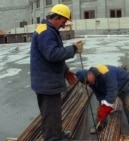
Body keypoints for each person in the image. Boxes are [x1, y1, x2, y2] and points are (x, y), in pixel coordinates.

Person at [30, 4, 83, 141]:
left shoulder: (48, 30)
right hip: (47, 83)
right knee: (50, 114)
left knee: (54, 112)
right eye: (64, 22)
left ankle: (56, 134)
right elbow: (52, 54)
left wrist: (65, 71)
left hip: (47, 79)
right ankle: (52, 138)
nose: (64, 26)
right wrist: (73, 49)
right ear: (57, 17)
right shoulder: (47, 32)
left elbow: (51, 57)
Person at [75, 65, 129, 134]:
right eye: (87, 83)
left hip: (124, 85)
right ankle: (100, 124)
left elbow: (112, 91)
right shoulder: (91, 82)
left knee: (128, 104)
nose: (89, 84)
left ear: (90, 74)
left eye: (88, 81)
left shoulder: (106, 73)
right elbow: (98, 93)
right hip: (110, 87)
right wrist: (102, 102)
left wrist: (107, 105)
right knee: (101, 108)